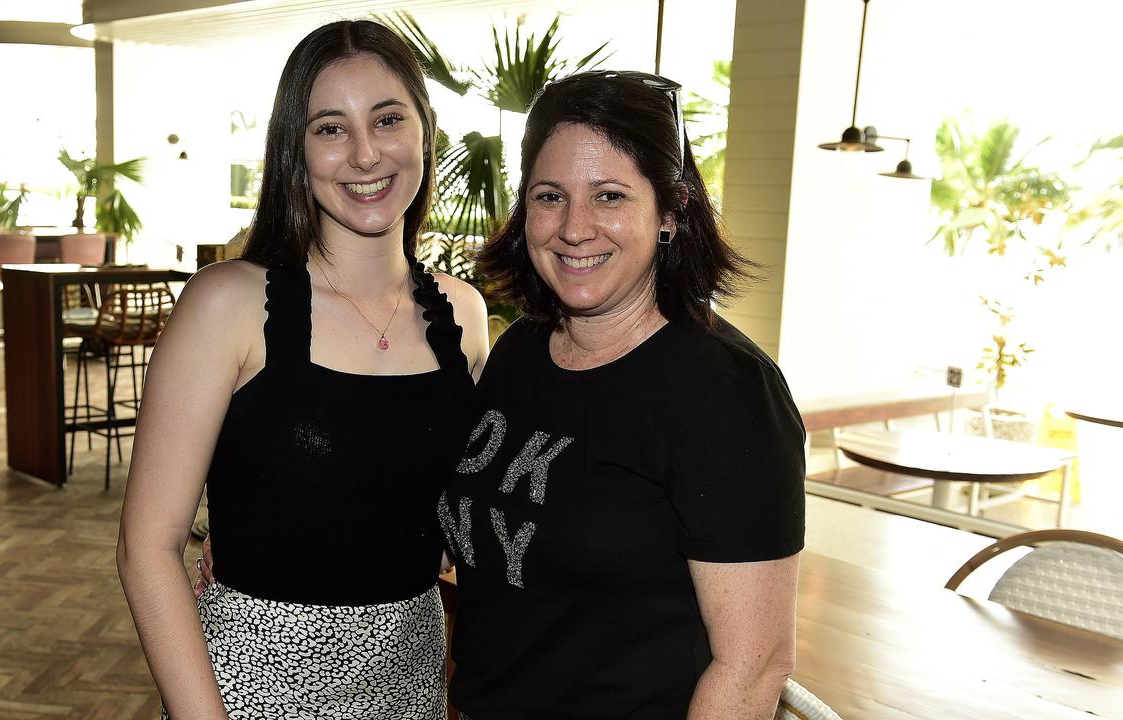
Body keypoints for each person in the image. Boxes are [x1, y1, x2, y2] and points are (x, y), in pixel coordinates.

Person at [117, 19, 488, 720]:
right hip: (245, 690)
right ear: (296, 146)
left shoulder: (463, 317)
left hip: (409, 684)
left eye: (387, 119)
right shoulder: (228, 305)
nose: (365, 153)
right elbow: (146, 546)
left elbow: (437, 516)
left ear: (424, 130)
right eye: (329, 128)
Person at [440, 70, 805, 719]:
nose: (574, 227)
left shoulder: (727, 394)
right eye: (550, 196)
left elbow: (753, 665)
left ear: (670, 211)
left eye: (609, 196)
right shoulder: (521, 352)